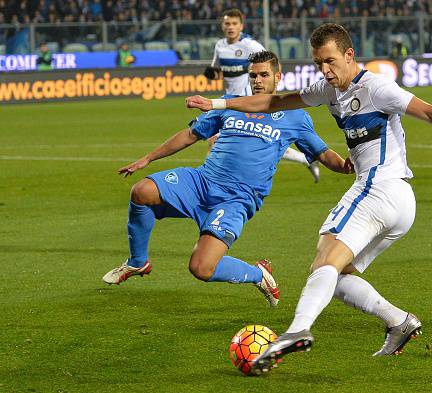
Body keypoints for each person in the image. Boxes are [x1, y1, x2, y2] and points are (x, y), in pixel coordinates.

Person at [186, 23, 432, 374]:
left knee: (324, 261)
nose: (325, 70)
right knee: (336, 276)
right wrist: (217, 102)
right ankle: (399, 321)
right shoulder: (327, 89)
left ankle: (296, 330)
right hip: (397, 201)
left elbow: (429, 111)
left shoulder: (377, 87)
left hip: (380, 189)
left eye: (331, 61)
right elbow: (275, 101)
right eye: (319, 63)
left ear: (350, 55)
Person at [102, 50, 353, 311]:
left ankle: (259, 274)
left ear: (277, 77)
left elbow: (323, 153)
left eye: (264, 75)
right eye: (253, 75)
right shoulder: (230, 103)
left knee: (201, 268)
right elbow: (190, 135)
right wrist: (147, 159)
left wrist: (347, 166)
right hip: (202, 181)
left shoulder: (295, 115)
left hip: (237, 198)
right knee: (142, 191)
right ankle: (137, 261)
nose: (257, 81)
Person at [203, 8, 321, 182]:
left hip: (248, 101)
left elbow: (270, 62)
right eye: (227, 23)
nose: (230, 27)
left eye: (234, 23)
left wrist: (271, 85)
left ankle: (212, 183)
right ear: (222, 25)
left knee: (238, 140)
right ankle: (305, 160)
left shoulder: (250, 45)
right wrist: (212, 74)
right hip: (229, 101)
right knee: (258, 139)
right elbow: (217, 72)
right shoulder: (220, 46)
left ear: (241, 26)